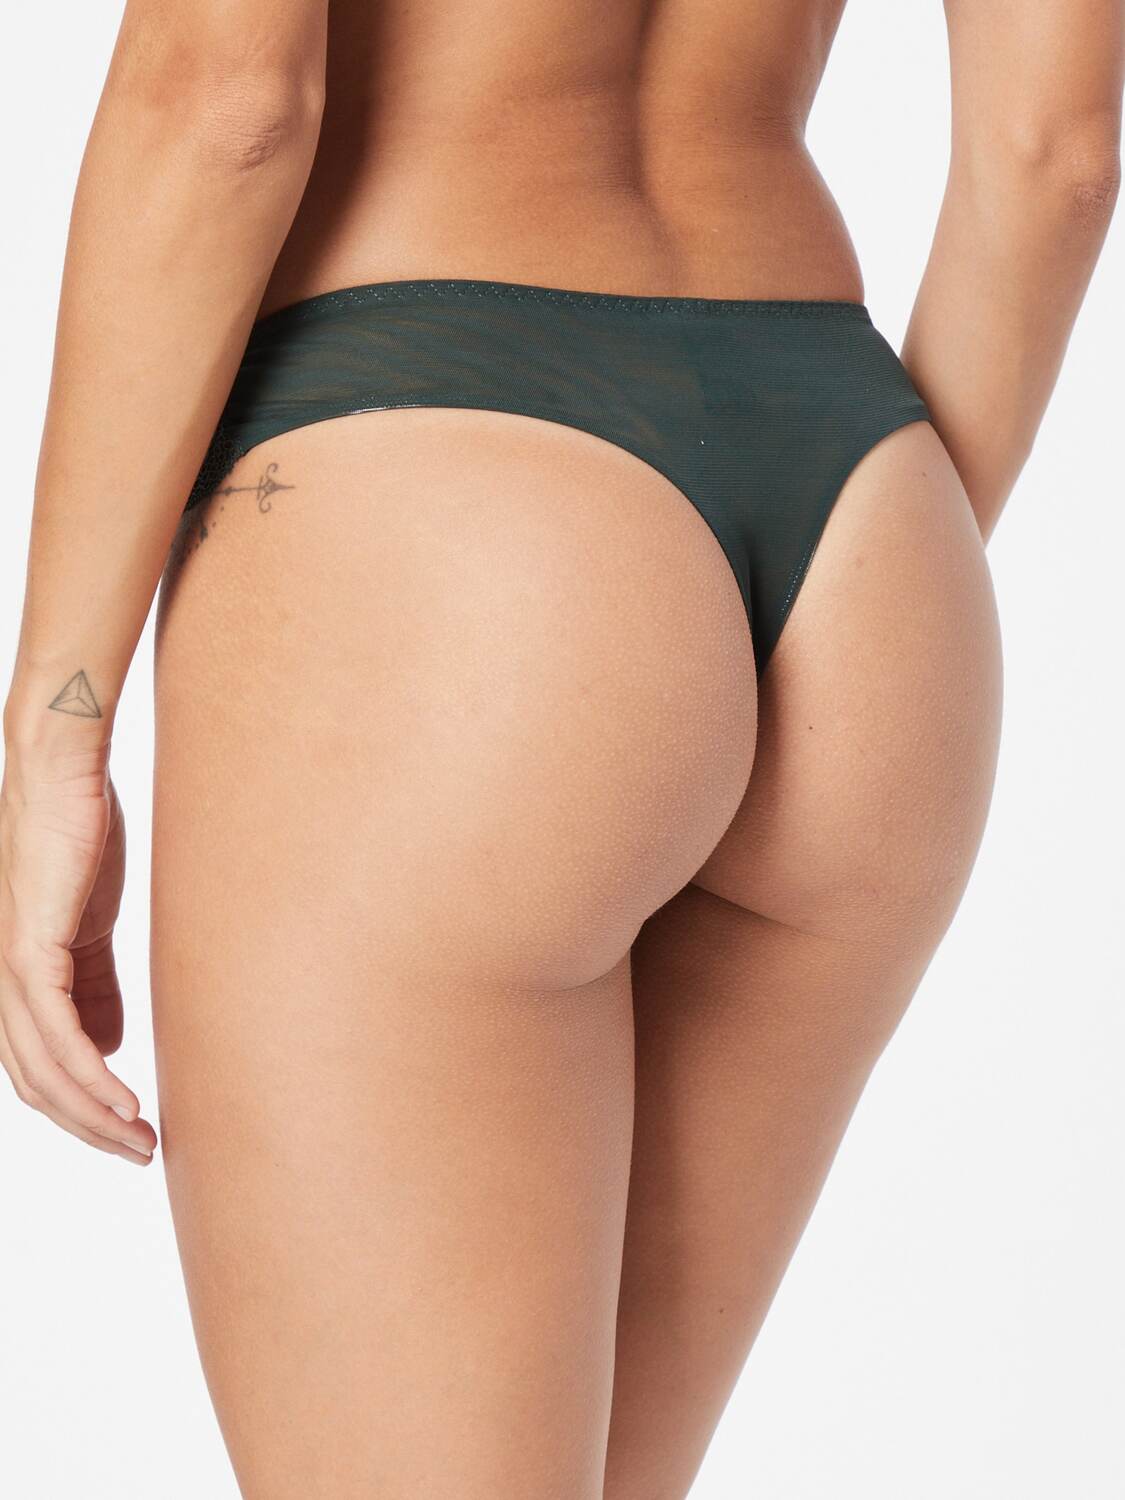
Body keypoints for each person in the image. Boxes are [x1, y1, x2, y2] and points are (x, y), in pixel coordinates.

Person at [0, 0, 1120, 1494]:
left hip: (447, 477)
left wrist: (55, 728)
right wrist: (869, 612)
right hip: (865, 517)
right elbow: (1055, 151)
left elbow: (225, 100)